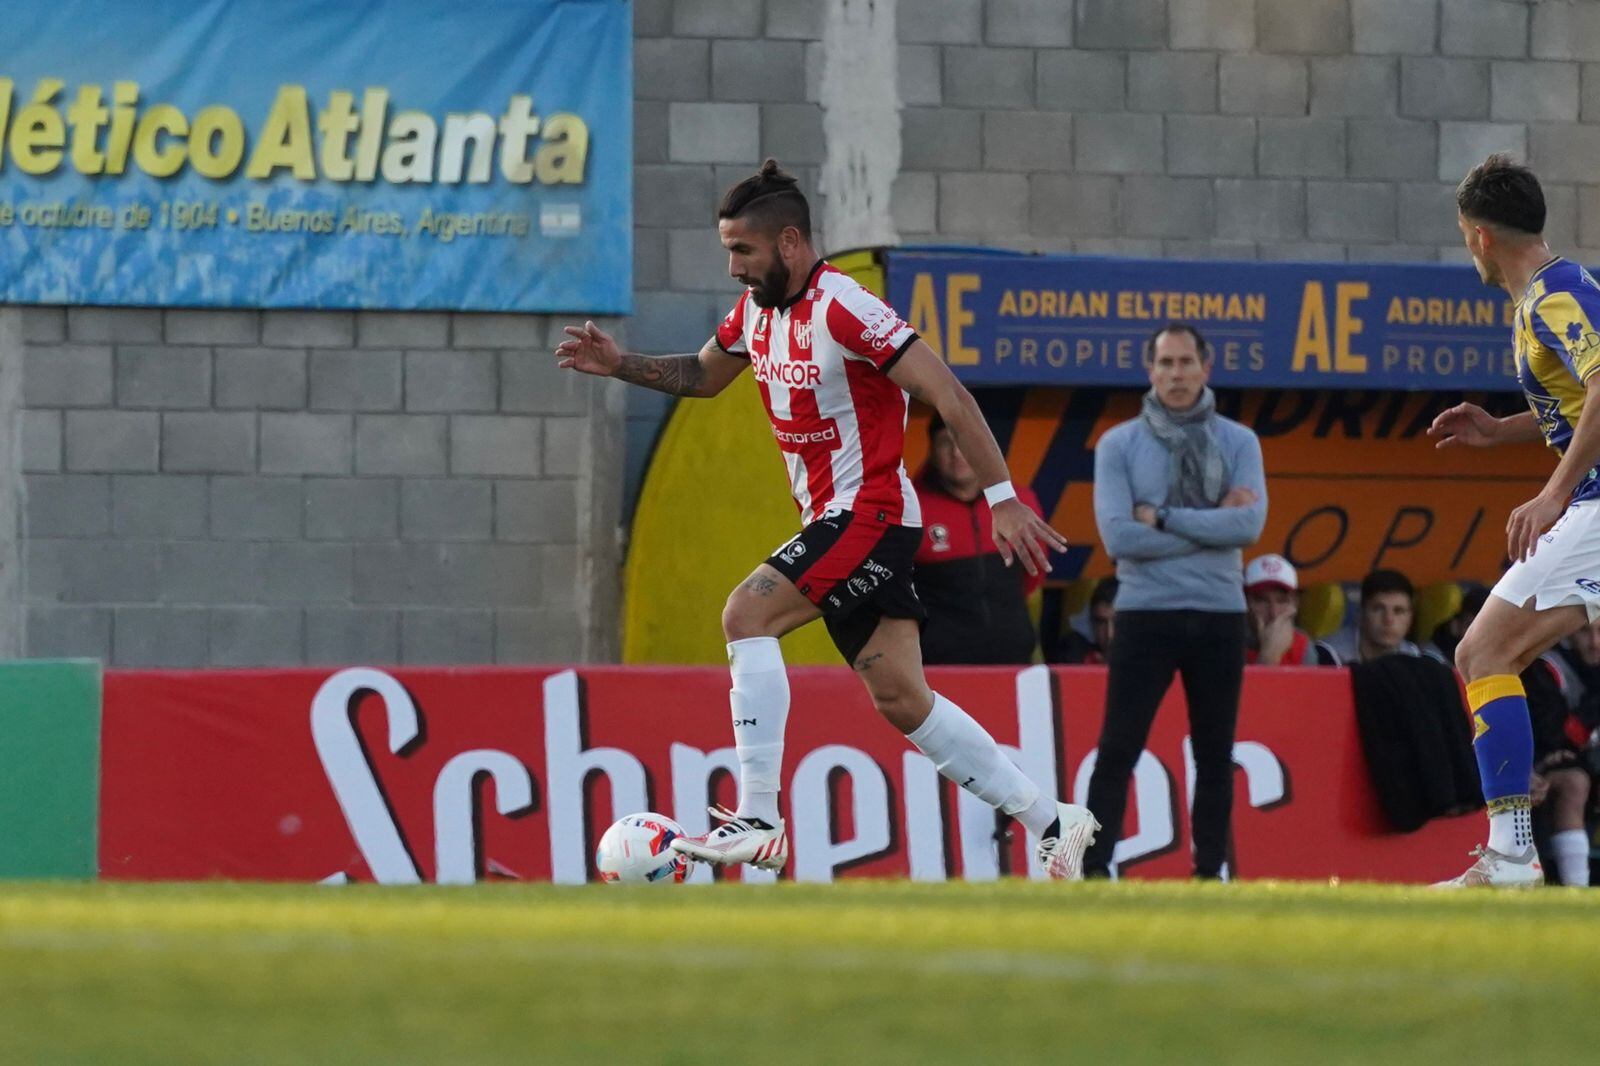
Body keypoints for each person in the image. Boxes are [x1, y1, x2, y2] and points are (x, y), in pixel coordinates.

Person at [554, 159, 1099, 879]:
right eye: (727, 250)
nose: (732, 268)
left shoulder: (848, 307)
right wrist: (620, 364)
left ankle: (759, 816)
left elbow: (950, 394)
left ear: (787, 243)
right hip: (838, 519)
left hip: (869, 512)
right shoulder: (754, 315)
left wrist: (1001, 499)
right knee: (903, 699)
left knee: (746, 615)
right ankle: (1055, 821)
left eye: (742, 251)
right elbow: (702, 375)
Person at [1425, 152, 1600, 887]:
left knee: (1481, 653)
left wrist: (1557, 492)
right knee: (1487, 654)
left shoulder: (1557, 294)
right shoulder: (1550, 294)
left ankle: (1510, 855)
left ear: (1478, 236)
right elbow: (1572, 401)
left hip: (1593, 504)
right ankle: (1511, 855)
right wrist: (1501, 429)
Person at [1084, 322, 1267, 879]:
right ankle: (1092, 871)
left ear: (1206, 369)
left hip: (1220, 615)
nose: (1177, 374)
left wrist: (1162, 516)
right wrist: (1215, 524)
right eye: (1166, 363)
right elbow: (1119, 538)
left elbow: (1251, 524)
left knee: (1215, 755)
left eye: (1187, 362)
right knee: (1118, 748)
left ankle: (1209, 875)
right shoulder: (1118, 444)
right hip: (1143, 614)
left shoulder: (1240, 441)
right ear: (1150, 371)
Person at [914, 412, 1047, 665]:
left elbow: (1033, 574)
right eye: (945, 443)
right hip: (939, 669)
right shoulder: (910, 507)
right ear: (931, 450)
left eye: (964, 443)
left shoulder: (1019, 502)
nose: (956, 453)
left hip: (1013, 662)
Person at [1314, 570, 1422, 666]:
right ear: (1360, 614)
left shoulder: (1413, 655)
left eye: (1398, 611)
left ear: (1410, 619)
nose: (1388, 620)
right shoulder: (1329, 655)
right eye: (1378, 609)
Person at [1243, 553, 1313, 665]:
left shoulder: (1302, 645)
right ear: (1245, 602)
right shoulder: (1227, 643)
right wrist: (1268, 656)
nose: (1273, 613)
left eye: (1282, 601)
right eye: (1262, 601)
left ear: (1294, 604)